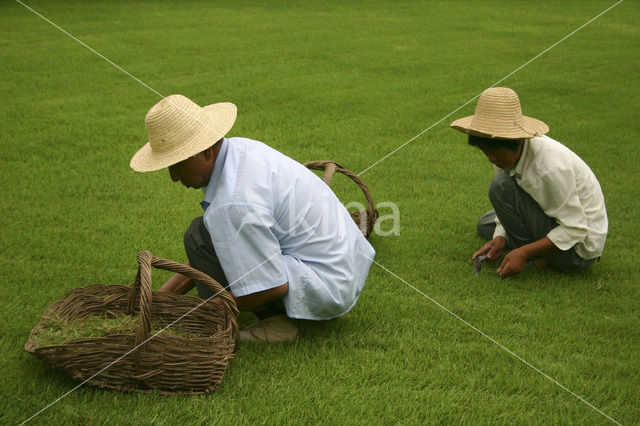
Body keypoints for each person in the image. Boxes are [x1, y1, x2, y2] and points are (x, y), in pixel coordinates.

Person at [130, 94, 375, 342]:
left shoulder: (233, 202)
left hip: (324, 286)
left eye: (177, 164)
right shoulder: (238, 150)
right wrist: (158, 301)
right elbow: (214, 248)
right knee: (204, 235)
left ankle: (280, 324)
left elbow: (272, 285)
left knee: (199, 234)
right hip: (342, 273)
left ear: (205, 152)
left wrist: (206, 311)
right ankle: (258, 313)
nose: (173, 176)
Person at [450, 87, 608, 278]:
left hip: (577, 253)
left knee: (499, 187)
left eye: (495, 152)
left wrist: (524, 252)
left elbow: (576, 228)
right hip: (551, 217)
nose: (491, 158)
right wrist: (500, 237)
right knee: (486, 224)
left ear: (515, 141)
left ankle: (538, 257)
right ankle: (519, 244)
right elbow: (511, 197)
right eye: (485, 151)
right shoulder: (506, 154)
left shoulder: (549, 168)